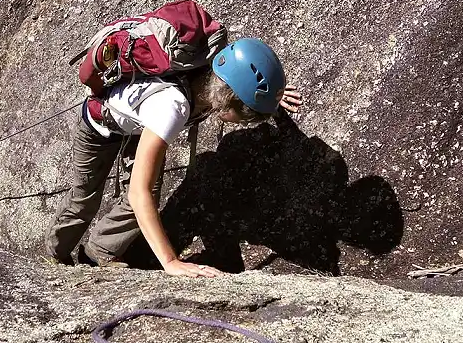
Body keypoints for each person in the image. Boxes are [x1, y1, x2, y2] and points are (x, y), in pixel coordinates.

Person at [45, 37, 302, 278]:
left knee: (148, 195)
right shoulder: (173, 107)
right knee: (86, 197)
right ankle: (55, 257)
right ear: (228, 98)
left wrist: (271, 98)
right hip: (99, 124)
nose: (245, 122)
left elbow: (241, 78)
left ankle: (97, 253)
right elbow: (138, 194)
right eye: (246, 114)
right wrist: (170, 262)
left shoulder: (212, 69)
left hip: (138, 124)